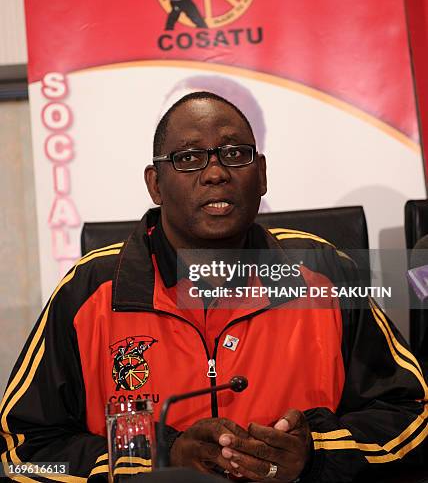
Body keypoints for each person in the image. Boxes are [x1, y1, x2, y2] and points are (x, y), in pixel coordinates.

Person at [1, 92, 427, 482]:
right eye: (189, 158)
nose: (217, 173)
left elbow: (413, 417)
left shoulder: (325, 275)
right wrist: (157, 460)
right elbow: (23, 453)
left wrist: (315, 451)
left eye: (235, 154)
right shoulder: (89, 291)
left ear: (260, 175)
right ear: (155, 184)